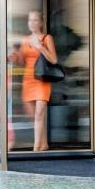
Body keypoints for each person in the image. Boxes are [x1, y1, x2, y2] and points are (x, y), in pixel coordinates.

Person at [15, 11, 58, 152]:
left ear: (40, 22)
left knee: (39, 114)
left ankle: (35, 150)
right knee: (34, 116)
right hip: (28, 80)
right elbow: (21, 61)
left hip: (42, 79)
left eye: (35, 20)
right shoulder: (25, 40)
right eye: (29, 20)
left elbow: (54, 60)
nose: (32, 23)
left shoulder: (47, 38)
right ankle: (43, 144)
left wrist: (40, 47)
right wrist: (13, 57)